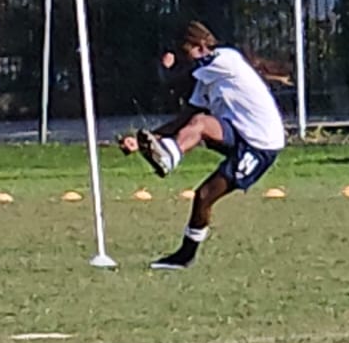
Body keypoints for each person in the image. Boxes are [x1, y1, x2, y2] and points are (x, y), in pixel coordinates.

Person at [118, 21, 288, 270]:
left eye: (183, 51)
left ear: (199, 46)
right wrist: (149, 139)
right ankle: (169, 156)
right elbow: (186, 117)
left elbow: (182, 75)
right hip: (239, 134)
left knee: (204, 195)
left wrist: (167, 68)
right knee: (199, 122)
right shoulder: (206, 77)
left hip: (260, 145)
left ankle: (185, 256)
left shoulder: (224, 59)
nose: (182, 56)